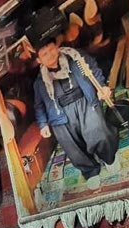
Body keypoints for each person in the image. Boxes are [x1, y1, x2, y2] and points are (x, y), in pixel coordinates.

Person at [33, 39, 118, 190]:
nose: (50, 55)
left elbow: (94, 70)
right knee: (72, 146)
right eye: (44, 54)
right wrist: (43, 124)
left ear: (57, 47)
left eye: (51, 49)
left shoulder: (76, 57)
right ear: (39, 60)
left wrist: (102, 87)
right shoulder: (40, 82)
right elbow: (39, 105)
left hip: (84, 100)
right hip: (60, 114)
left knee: (98, 131)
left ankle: (109, 158)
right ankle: (90, 171)